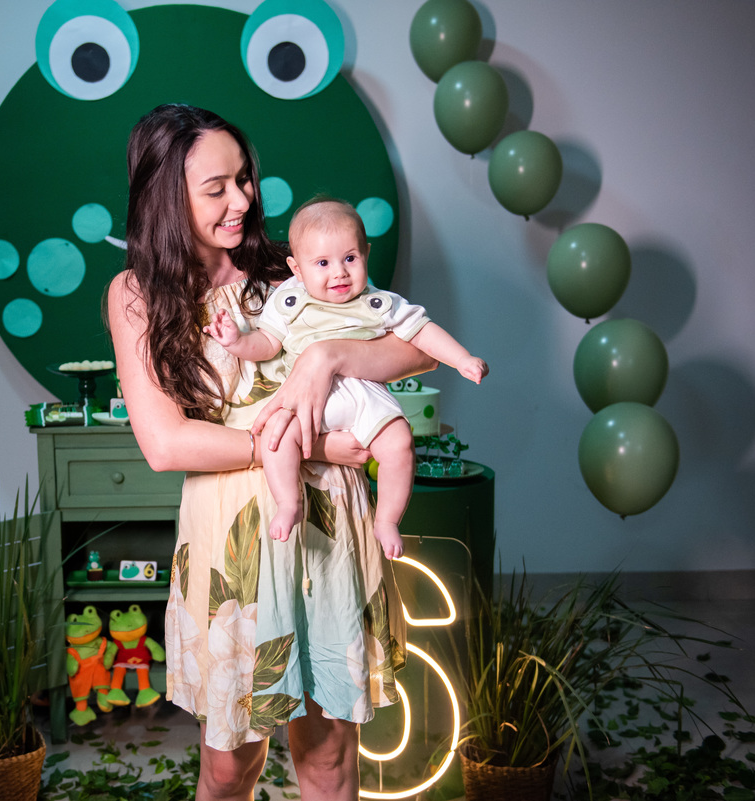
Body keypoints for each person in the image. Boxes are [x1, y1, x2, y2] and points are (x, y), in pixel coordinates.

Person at [106, 103, 437, 801]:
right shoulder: (136, 294)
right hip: (233, 537)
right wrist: (310, 442)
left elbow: (415, 348)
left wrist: (327, 357)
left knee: (328, 755)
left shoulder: (289, 267)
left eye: (244, 179)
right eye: (217, 188)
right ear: (166, 197)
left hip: (328, 528)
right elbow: (165, 443)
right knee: (229, 767)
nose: (243, 199)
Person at [203, 198, 488, 560]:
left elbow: (422, 332)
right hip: (310, 398)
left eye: (350, 259)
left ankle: (387, 519)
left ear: (366, 254)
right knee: (277, 435)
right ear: (297, 269)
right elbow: (267, 344)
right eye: (322, 263)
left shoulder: (378, 302)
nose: (338, 273)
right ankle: (288, 502)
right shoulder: (288, 300)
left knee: (399, 443)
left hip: (366, 393)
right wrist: (237, 342)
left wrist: (462, 359)